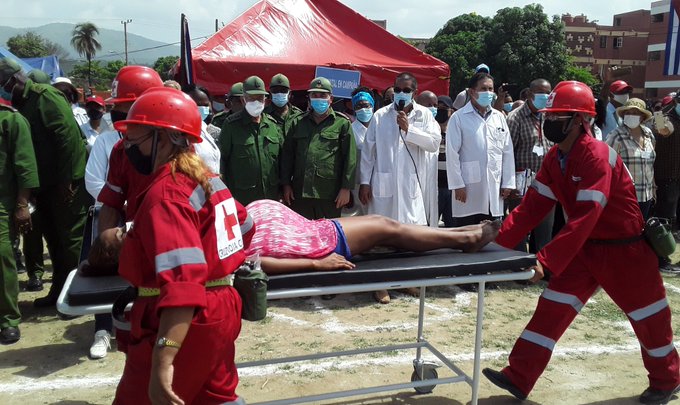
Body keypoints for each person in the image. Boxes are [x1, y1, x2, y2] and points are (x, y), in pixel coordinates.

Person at [483, 81, 680, 405]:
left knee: (650, 319)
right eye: (551, 115)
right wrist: (495, 249)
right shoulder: (555, 159)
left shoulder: (597, 157)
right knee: (551, 310)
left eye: (559, 116)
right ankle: (518, 376)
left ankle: (667, 379)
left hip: (626, 252)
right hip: (585, 249)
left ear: (579, 120)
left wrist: (544, 262)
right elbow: (531, 209)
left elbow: (586, 215)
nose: (551, 122)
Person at [108, 87, 253, 404]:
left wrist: (163, 358)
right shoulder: (207, 179)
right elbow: (245, 225)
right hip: (220, 308)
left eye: (135, 138)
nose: (127, 147)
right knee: (214, 395)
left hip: (183, 319)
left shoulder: (167, 195)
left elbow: (183, 284)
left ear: (165, 137)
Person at [86, 65, 164, 359]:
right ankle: (104, 330)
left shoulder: (181, 154)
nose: (122, 117)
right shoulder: (122, 150)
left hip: (169, 253)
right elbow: (111, 200)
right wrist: (107, 240)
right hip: (134, 242)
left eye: (127, 108)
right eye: (119, 109)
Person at [0, 57, 90, 308]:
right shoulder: (22, 103)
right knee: (54, 240)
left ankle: (79, 294)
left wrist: (67, 181)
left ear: (15, 80)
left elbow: (68, 140)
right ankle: (60, 292)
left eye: (2, 84)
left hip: (65, 183)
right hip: (45, 186)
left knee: (71, 241)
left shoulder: (44, 97)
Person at [244, 200, 499, 274]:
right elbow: (258, 263)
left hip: (315, 229)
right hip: (321, 244)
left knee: (387, 226)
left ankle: (461, 233)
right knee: (386, 227)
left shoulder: (221, 219)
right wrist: (316, 264)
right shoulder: (222, 244)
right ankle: (466, 240)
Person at [359, 75, 440, 303]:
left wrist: (409, 130)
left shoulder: (424, 115)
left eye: (406, 89)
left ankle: (404, 282)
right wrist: (364, 182)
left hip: (410, 187)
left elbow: (434, 143)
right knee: (381, 240)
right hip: (383, 184)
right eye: (398, 89)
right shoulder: (380, 116)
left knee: (408, 238)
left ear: (415, 91)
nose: (401, 93)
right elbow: (368, 152)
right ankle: (380, 285)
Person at [281, 77, 356, 219]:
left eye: (323, 95)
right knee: (302, 235)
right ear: (309, 98)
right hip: (300, 193)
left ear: (331, 99)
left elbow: (350, 158)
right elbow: (288, 156)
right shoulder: (297, 122)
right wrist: (286, 185)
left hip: (329, 194)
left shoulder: (342, 123)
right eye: (314, 95)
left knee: (328, 235)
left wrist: (346, 189)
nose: (318, 99)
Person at [446, 72, 515, 227]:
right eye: (484, 89)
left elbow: (507, 151)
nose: (489, 93)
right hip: (468, 189)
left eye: (491, 89)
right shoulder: (458, 118)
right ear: (472, 92)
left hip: (495, 188)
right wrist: (457, 184)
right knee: (468, 236)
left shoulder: (499, 117)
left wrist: (508, 182)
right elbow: (452, 153)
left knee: (491, 236)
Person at [0, 102, 39, 344]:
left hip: (3, 201)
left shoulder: (11, 120)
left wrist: (22, 204)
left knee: (3, 257)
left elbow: (25, 164)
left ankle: (8, 319)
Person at [506, 79, 554, 253]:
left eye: (548, 93)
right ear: (529, 94)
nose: (546, 97)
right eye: (542, 93)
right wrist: (509, 184)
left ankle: (540, 264)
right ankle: (519, 264)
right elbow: (507, 153)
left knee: (545, 229)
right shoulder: (515, 118)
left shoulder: (549, 115)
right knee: (520, 226)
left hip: (546, 183)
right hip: (521, 184)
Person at [220, 75, 284, 205]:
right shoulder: (231, 125)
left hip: (270, 198)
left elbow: (282, 161)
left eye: (260, 98)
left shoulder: (273, 125)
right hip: (242, 199)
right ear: (243, 100)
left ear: (265, 100)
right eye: (251, 98)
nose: (256, 102)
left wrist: (282, 189)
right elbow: (222, 160)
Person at [606, 99, 655, 219]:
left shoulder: (648, 134)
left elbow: (650, 164)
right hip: (626, 196)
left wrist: (653, 187)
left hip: (647, 194)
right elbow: (606, 164)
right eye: (628, 112)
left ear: (642, 117)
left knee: (642, 231)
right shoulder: (616, 135)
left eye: (635, 112)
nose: (631, 115)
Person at [345, 88, 374, 217]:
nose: (363, 109)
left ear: (372, 105)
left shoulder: (380, 127)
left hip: (378, 183)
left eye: (366, 105)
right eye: (359, 106)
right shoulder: (350, 130)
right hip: (357, 186)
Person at [182, 85, 221, 174]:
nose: (202, 108)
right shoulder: (180, 133)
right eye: (197, 104)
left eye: (205, 105)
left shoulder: (204, 127)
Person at [436, 95, 455, 227]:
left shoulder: (456, 132)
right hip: (434, 186)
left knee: (452, 226)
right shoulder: (430, 130)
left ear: (451, 111)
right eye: (438, 107)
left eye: (444, 108)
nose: (440, 110)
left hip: (452, 187)